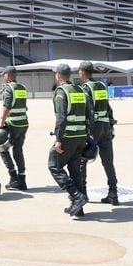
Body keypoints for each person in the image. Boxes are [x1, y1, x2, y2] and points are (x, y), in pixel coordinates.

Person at [47, 63, 92, 217]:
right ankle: (78, 209)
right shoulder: (80, 90)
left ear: (58, 76)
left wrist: (58, 139)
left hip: (68, 137)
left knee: (54, 166)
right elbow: (90, 114)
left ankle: (76, 196)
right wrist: (88, 134)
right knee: (75, 171)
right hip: (80, 137)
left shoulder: (61, 91)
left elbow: (61, 117)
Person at [78, 61, 119, 205]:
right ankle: (113, 193)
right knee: (108, 162)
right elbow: (108, 107)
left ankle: (83, 194)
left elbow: (87, 110)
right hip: (106, 126)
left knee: (82, 160)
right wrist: (111, 124)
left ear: (82, 72)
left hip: (93, 128)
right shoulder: (102, 86)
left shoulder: (85, 88)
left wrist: (86, 131)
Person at [0, 66, 29, 191]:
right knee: (18, 150)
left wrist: (1, 122)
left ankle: (13, 177)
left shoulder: (8, 88)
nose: (3, 77)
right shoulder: (22, 88)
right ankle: (22, 179)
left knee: (2, 148)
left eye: (4, 74)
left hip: (13, 124)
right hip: (23, 123)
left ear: (9, 75)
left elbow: (7, 107)